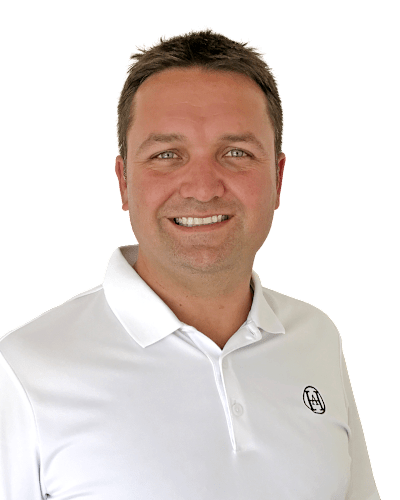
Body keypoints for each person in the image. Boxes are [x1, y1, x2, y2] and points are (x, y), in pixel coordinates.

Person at [0, 27, 381, 499]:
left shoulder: (317, 338)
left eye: (236, 153)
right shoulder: (22, 368)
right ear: (123, 182)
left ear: (278, 177)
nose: (202, 188)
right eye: (167, 155)